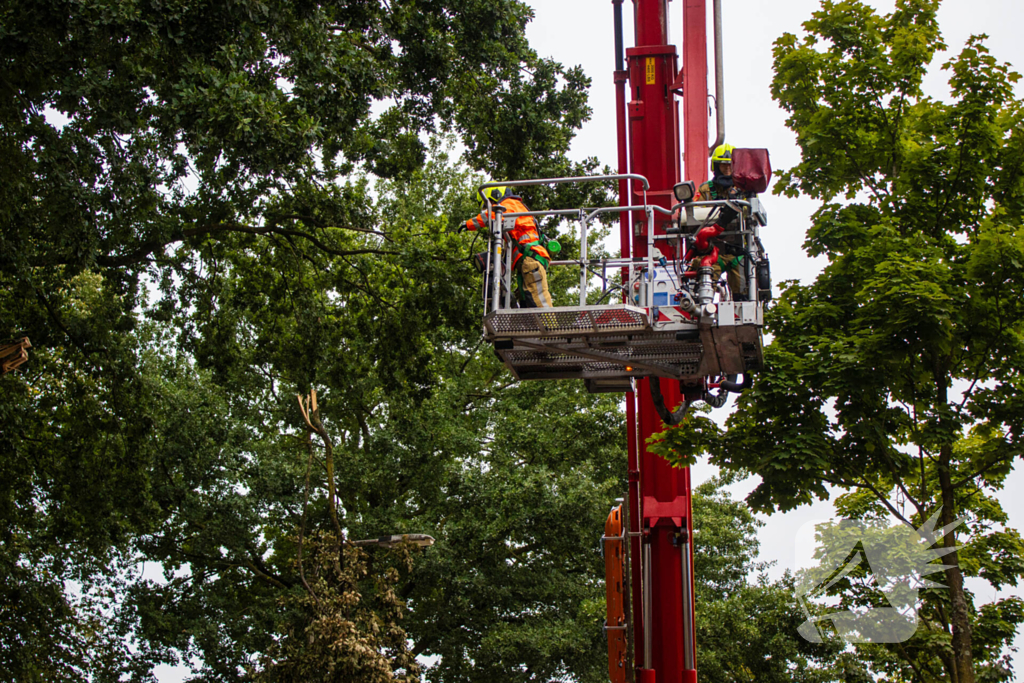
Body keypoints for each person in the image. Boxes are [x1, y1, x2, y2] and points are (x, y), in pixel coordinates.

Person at [464, 185, 553, 308]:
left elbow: (492, 214)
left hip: (530, 259)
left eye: (489, 204)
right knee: (527, 300)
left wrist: (468, 224)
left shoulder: (510, 204)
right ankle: (540, 325)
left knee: (538, 302)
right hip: (527, 261)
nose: (488, 208)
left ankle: (549, 325)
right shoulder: (515, 209)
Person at [686, 143, 748, 299]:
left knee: (742, 288)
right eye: (723, 164)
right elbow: (694, 216)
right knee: (703, 282)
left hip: (737, 250)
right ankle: (702, 307)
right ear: (716, 166)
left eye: (730, 164)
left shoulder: (744, 189)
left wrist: (738, 202)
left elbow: (749, 212)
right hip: (711, 249)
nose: (727, 168)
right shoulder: (705, 189)